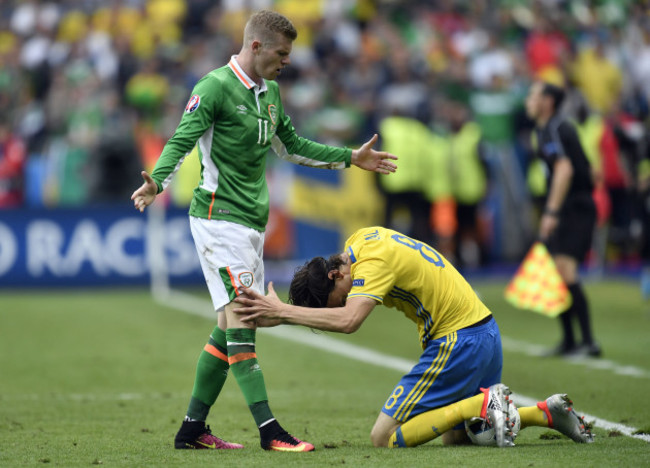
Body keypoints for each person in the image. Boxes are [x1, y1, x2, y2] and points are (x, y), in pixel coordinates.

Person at [130, 10, 397, 452]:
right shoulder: (213, 87)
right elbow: (181, 139)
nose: (286, 61)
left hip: (250, 224)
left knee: (226, 328)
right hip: (218, 221)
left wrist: (351, 157)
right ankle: (270, 431)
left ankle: (192, 430)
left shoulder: (270, 92)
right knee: (246, 321)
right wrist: (158, 180)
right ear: (256, 46)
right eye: (281, 53)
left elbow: (292, 146)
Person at [234, 226, 594, 448]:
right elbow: (343, 310)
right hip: (485, 330)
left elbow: (349, 321)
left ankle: (483, 403)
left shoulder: (371, 266)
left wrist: (282, 312)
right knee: (459, 435)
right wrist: (287, 316)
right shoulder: (360, 241)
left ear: (334, 277)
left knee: (383, 437)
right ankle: (546, 413)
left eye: (337, 299)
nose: (340, 304)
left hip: (458, 340)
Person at [525, 81, 601, 357]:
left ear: (547, 101)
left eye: (532, 95)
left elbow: (565, 169)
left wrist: (552, 211)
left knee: (566, 270)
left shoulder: (555, 128)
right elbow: (589, 169)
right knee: (557, 273)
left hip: (573, 207)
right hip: (570, 204)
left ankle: (589, 342)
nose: (528, 100)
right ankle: (569, 341)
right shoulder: (546, 129)